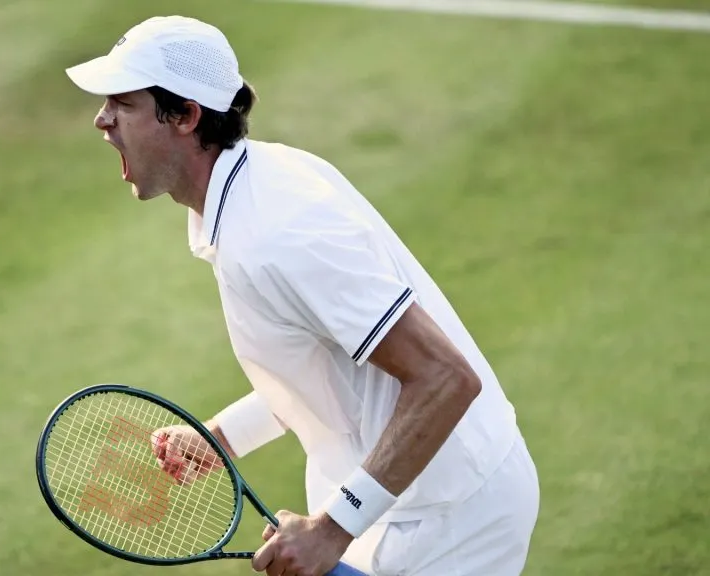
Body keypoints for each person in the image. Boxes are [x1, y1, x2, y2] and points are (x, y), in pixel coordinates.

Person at [64, 14, 540, 576]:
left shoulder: (279, 234)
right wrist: (223, 437)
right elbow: (325, 365)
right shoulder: (252, 193)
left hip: (447, 517)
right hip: (403, 501)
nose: (102, 119)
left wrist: (332, 529)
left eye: (123, 102)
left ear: (187, 117)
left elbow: (445, 378)